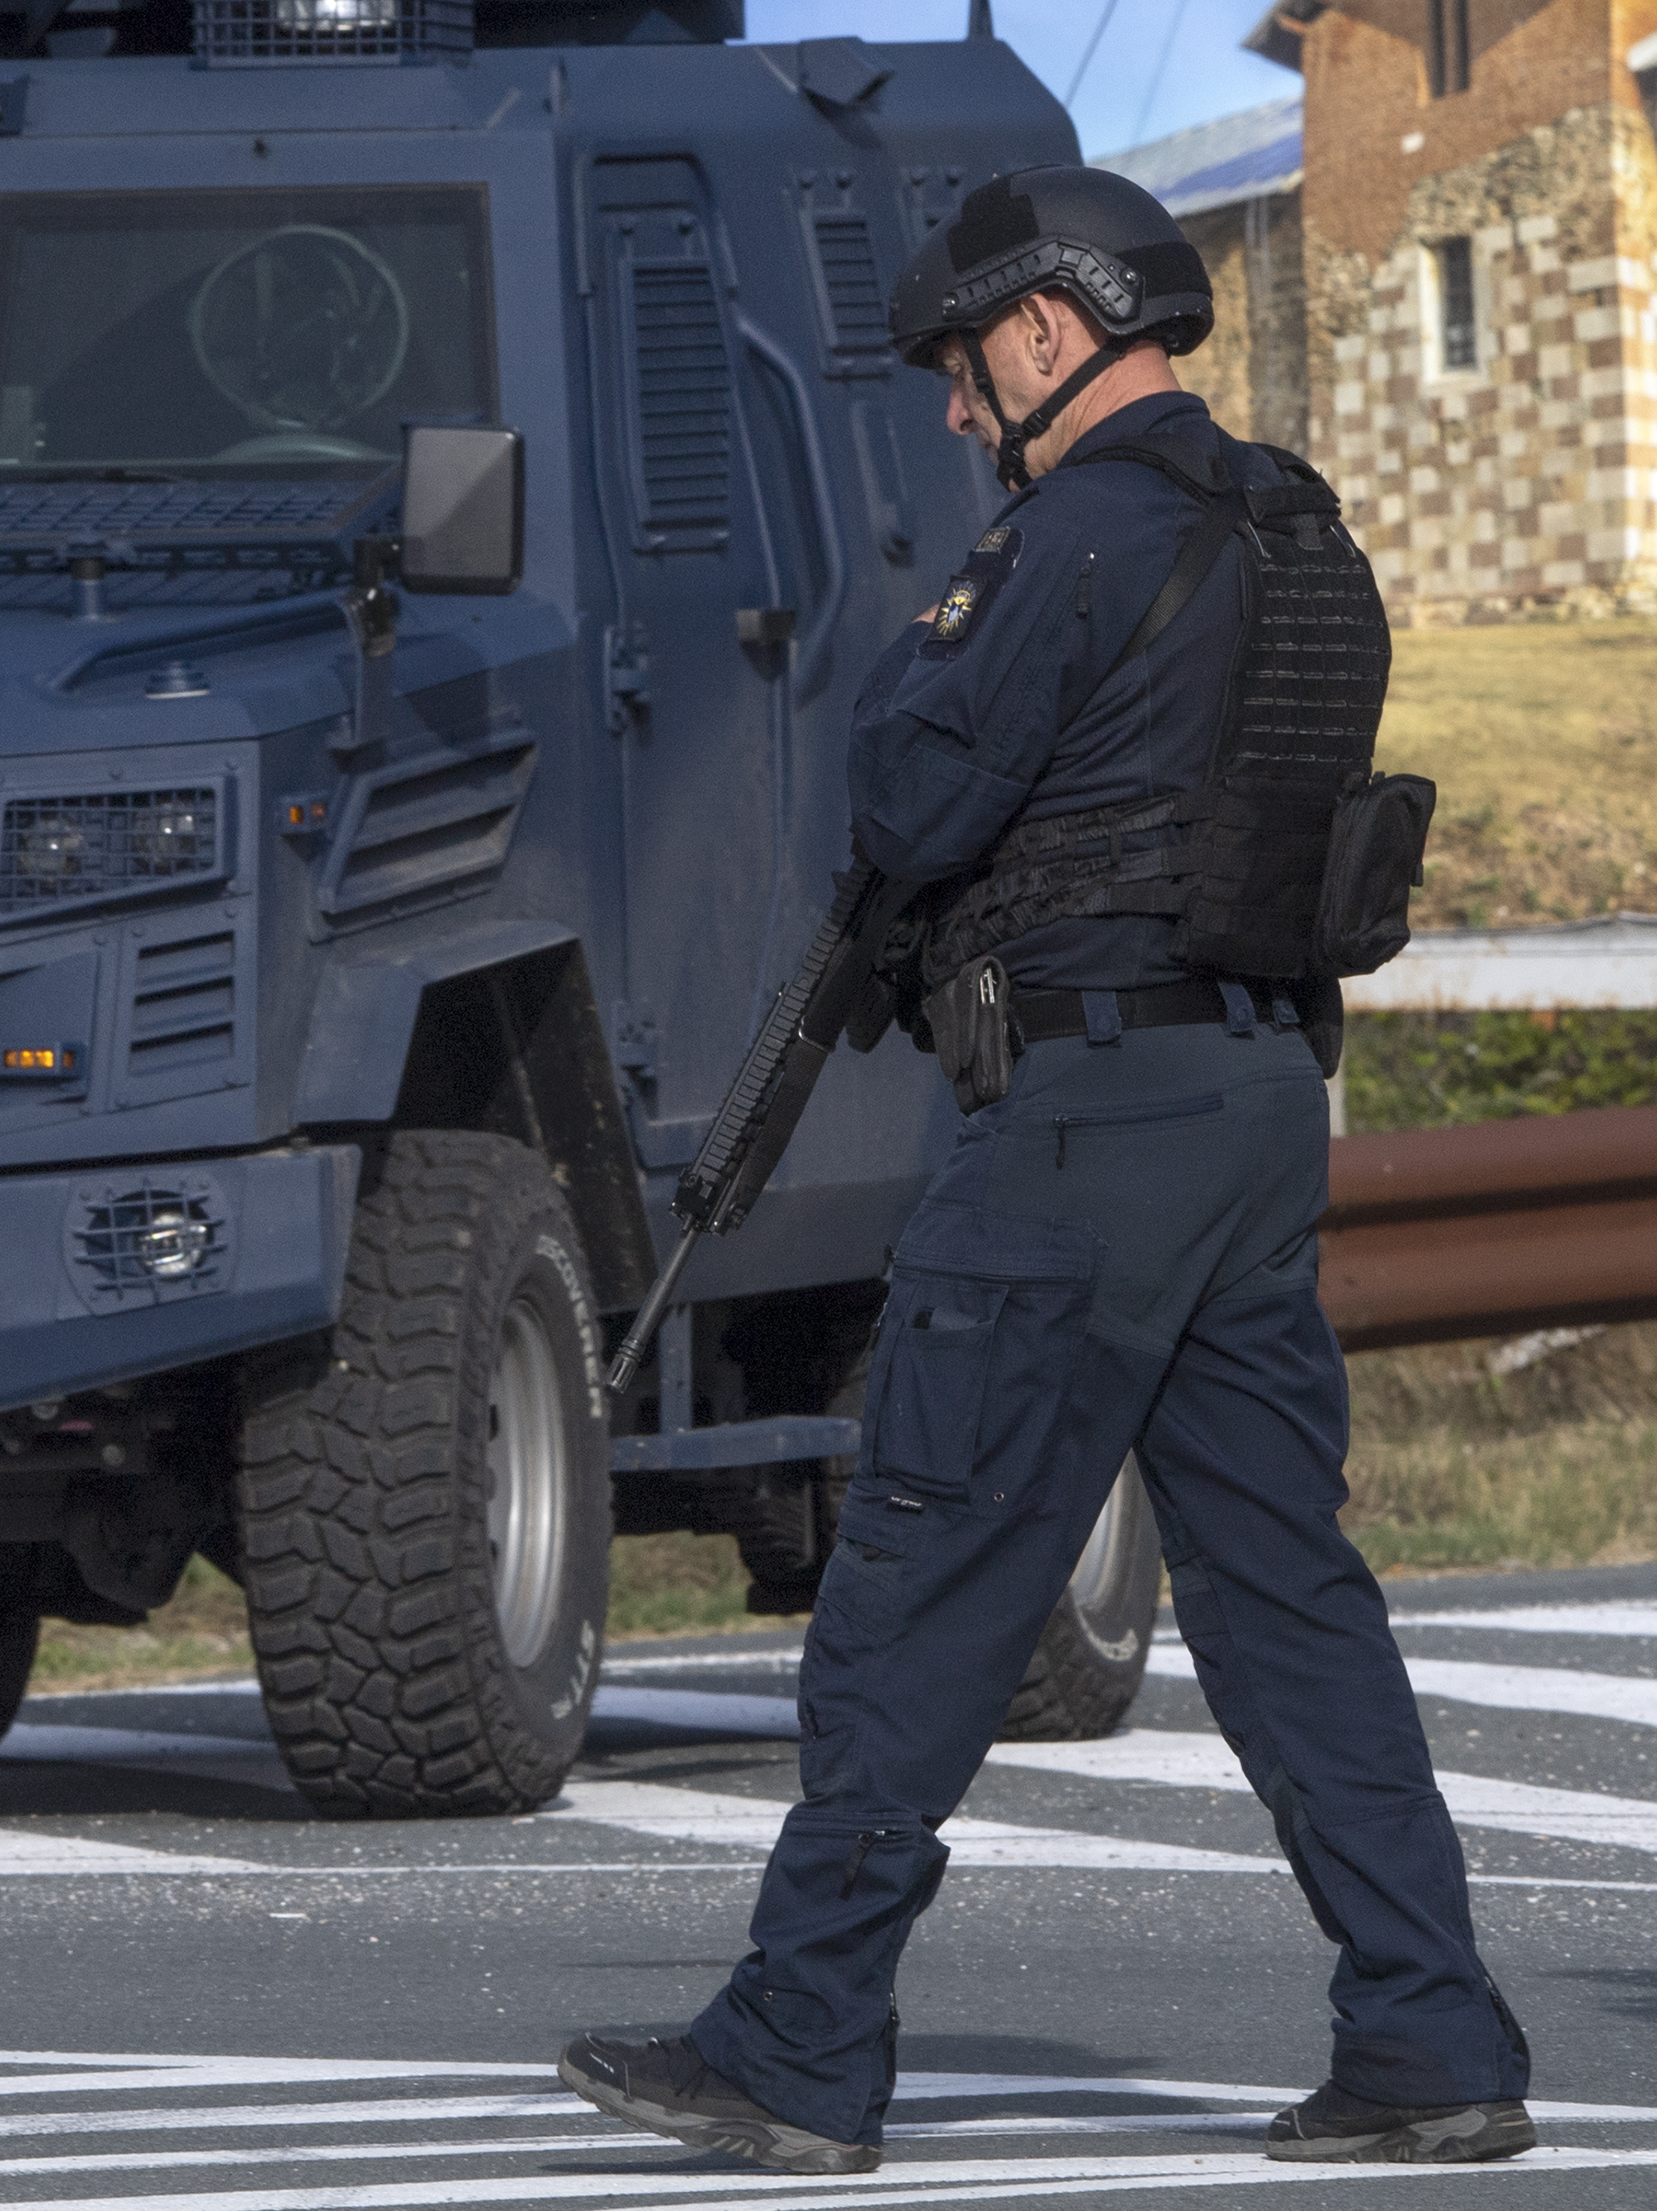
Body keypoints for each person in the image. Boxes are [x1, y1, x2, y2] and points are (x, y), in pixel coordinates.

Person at [557, 164, 1531, 2176]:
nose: (946, 411)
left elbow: (913, 795)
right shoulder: (1298, 532)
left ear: (1045, 329)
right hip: (1255, 1106)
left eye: (955, 363)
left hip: (1082, 1125)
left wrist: (914, 665)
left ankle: (798, 2044)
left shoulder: (1070, 540)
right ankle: (1433, 2035)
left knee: (911, 1580)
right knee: (1285, 1602)